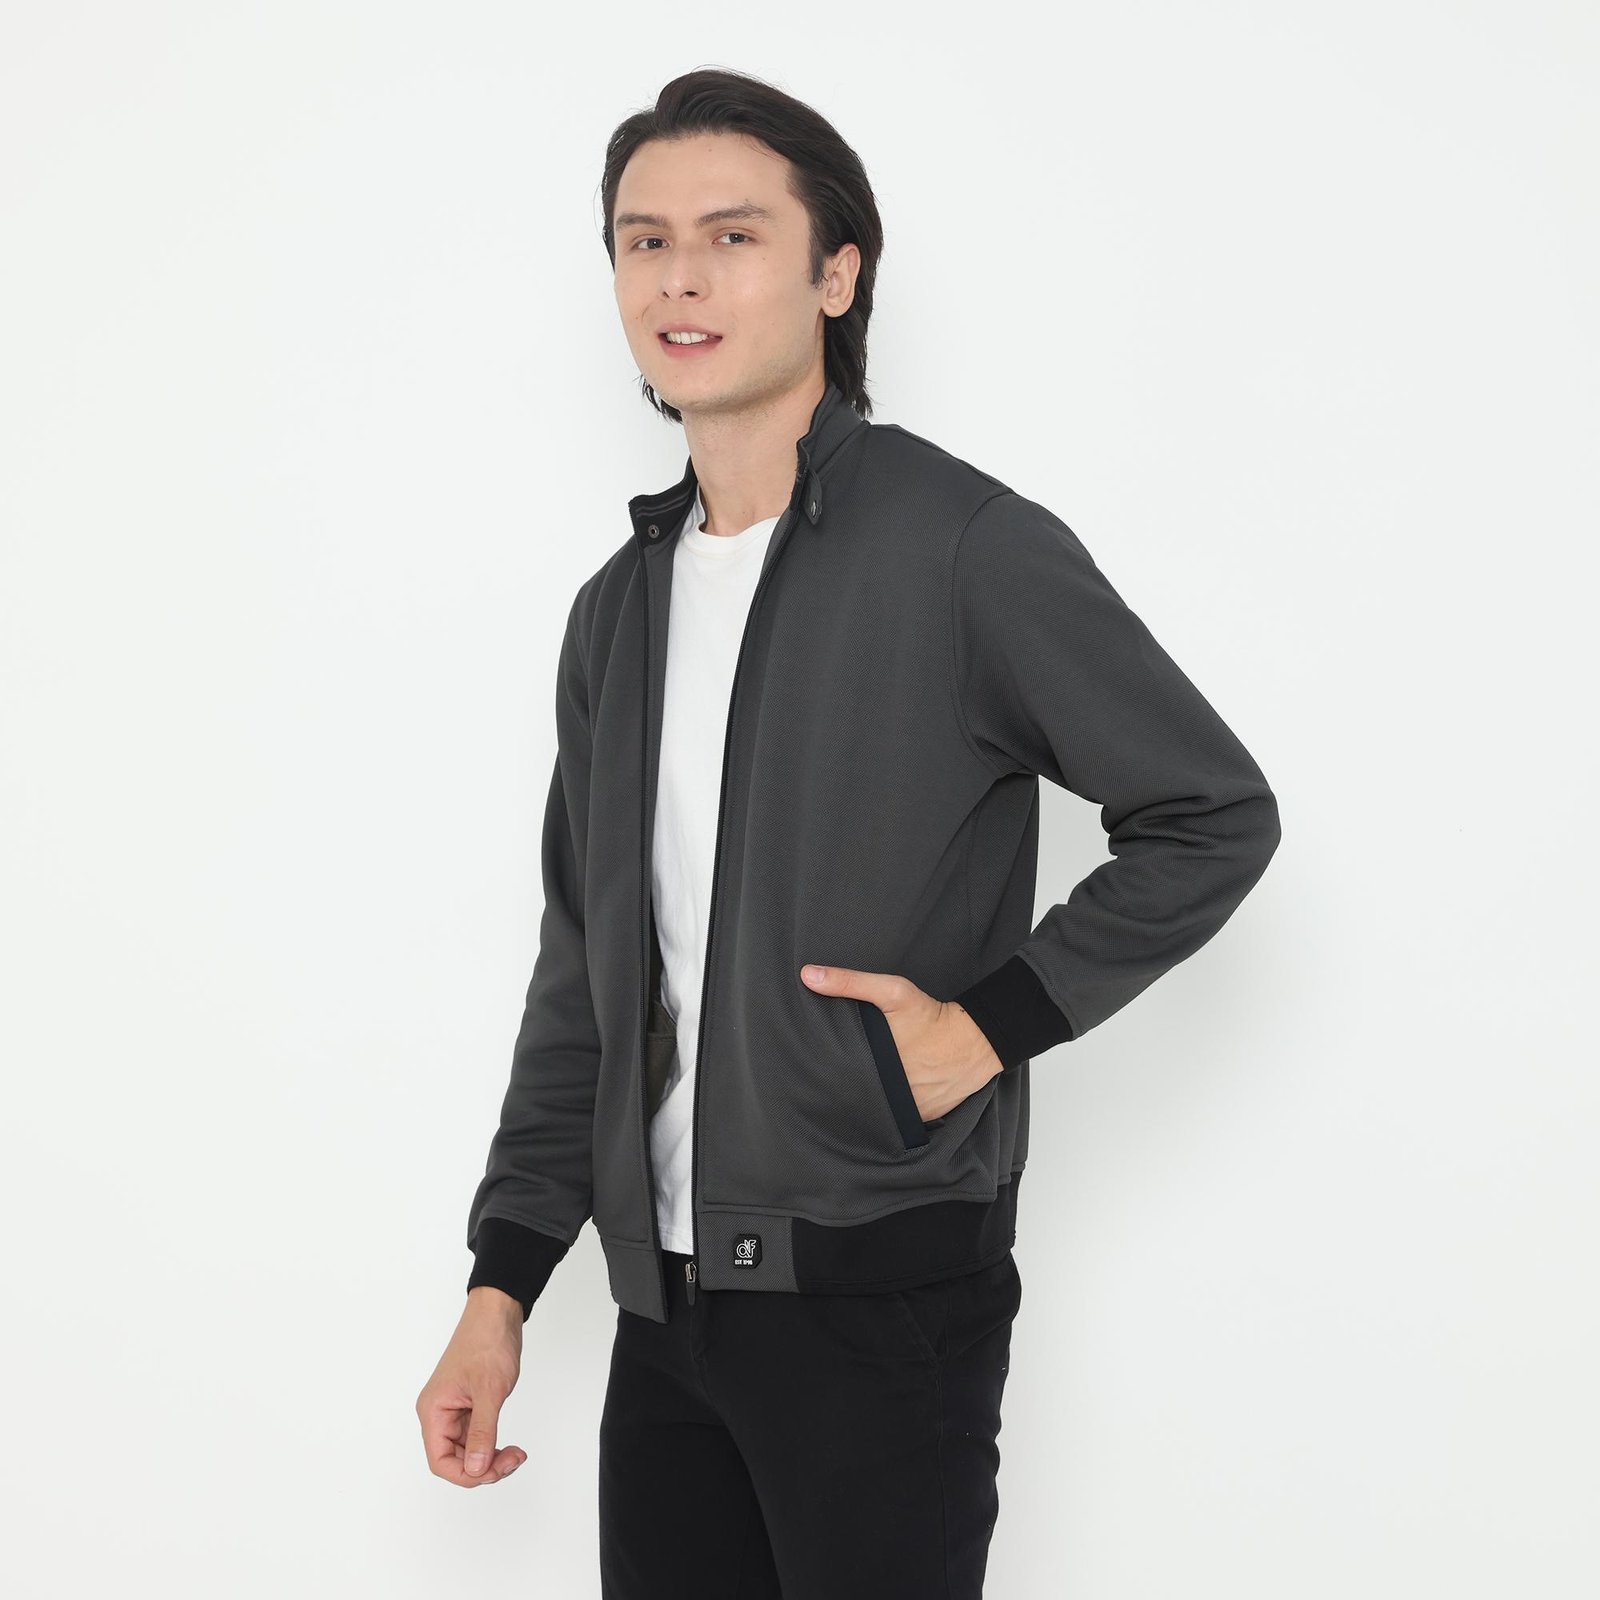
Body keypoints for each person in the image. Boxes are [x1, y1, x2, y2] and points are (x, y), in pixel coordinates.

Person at [417, 66, 1281, 1599]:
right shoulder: (618, 613)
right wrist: (504, 1286)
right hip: (663, 1322)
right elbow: (587, 973)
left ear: (836, 274)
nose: (679, 276)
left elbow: (1211, 813)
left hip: (882, 1310)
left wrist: (989, 1025)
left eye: (734, 235)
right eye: (643, 240)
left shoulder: (962, 550)